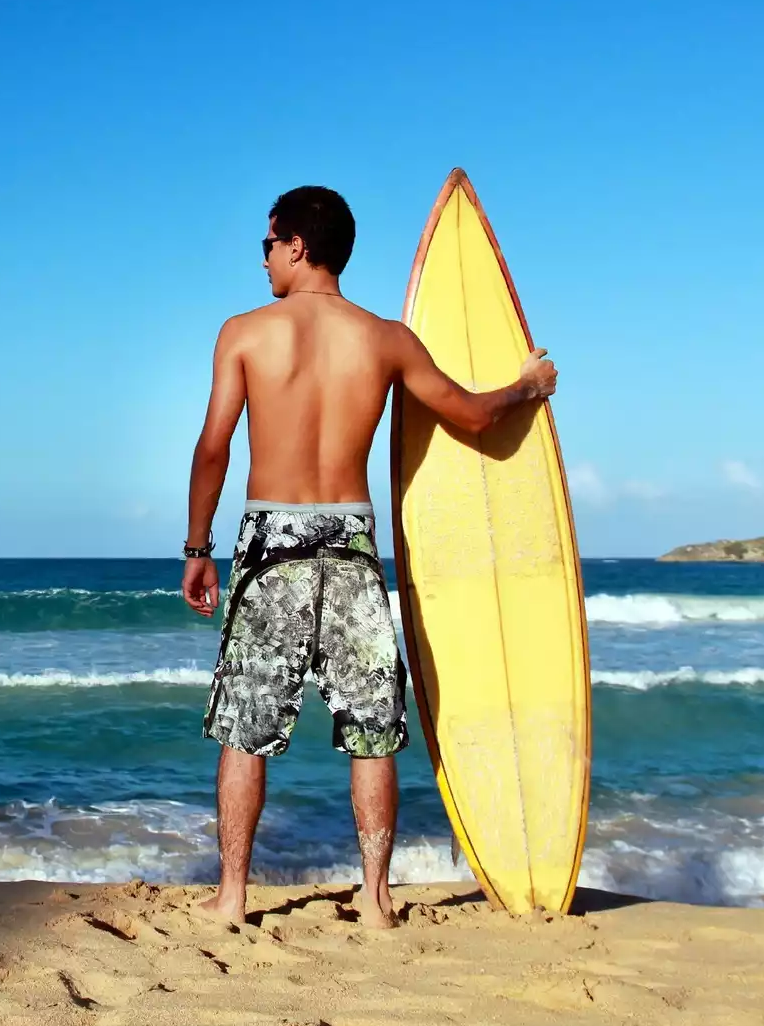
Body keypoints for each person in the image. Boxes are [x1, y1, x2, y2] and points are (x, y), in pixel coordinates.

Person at [180, 185, 557, 929]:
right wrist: (527, 387)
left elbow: (213, 446)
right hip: (352, 544)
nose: (263, 260)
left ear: (296, 246)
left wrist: (198, 548)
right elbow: (472, 416)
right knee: (372, 729)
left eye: (267, 245)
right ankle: (378, 900)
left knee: (247, 726)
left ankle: (231, 897)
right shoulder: (386, 340)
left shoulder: (244, 333)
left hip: (271, 542)